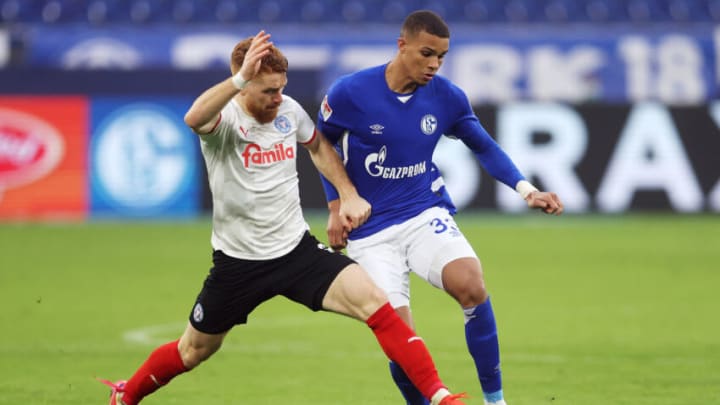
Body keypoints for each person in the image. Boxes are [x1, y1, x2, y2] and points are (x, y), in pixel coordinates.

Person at [97, 31, 468, 405]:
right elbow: (193, 118)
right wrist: (239, 77)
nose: (279, 98)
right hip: (239, 264)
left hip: (296, 252)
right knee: (192, 351)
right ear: (243, 85)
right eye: (268, 91)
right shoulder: (223, 122)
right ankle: (126, 395)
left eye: (281, 88)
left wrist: (347, 194)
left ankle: (440, 396)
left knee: (377, 303)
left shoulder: (289, 111)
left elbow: (319, 147)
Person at [315, 10, 564, 405]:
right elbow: (319, 145)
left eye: (442, 57)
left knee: (472, 284)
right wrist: (337, 203)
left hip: (422, 212)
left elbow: (483, 144)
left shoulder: (446, 96)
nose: (433, 65)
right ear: (402, 46)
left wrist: (525, 189)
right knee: (399, 336)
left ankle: (495, 401)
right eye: (426, 53)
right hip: (370, 232)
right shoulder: (350, 92)